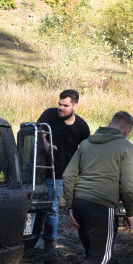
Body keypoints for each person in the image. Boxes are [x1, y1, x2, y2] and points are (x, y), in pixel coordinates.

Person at [41, 111, 133, 264]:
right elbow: (128, 186)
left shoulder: (87, 143)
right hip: (103, 207)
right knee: (102, 258)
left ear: (109, 123)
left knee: (93, 256)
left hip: (81, 205)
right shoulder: (125, 147)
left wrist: (71, 205)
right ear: (126, 131)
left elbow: (68, 175)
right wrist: (130, 212)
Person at [36, 90, 91, 252]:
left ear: (75, 106)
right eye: (60, 104)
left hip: (61, 175)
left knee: (52, 207)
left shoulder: (81, 126)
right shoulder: (49, 115)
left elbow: (87, 149)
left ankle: (49, 242)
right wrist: (45, 144)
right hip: (39, 171)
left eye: (65, 105)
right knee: (33, 206)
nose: (60, 108)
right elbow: (39, 132)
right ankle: (27, 237)